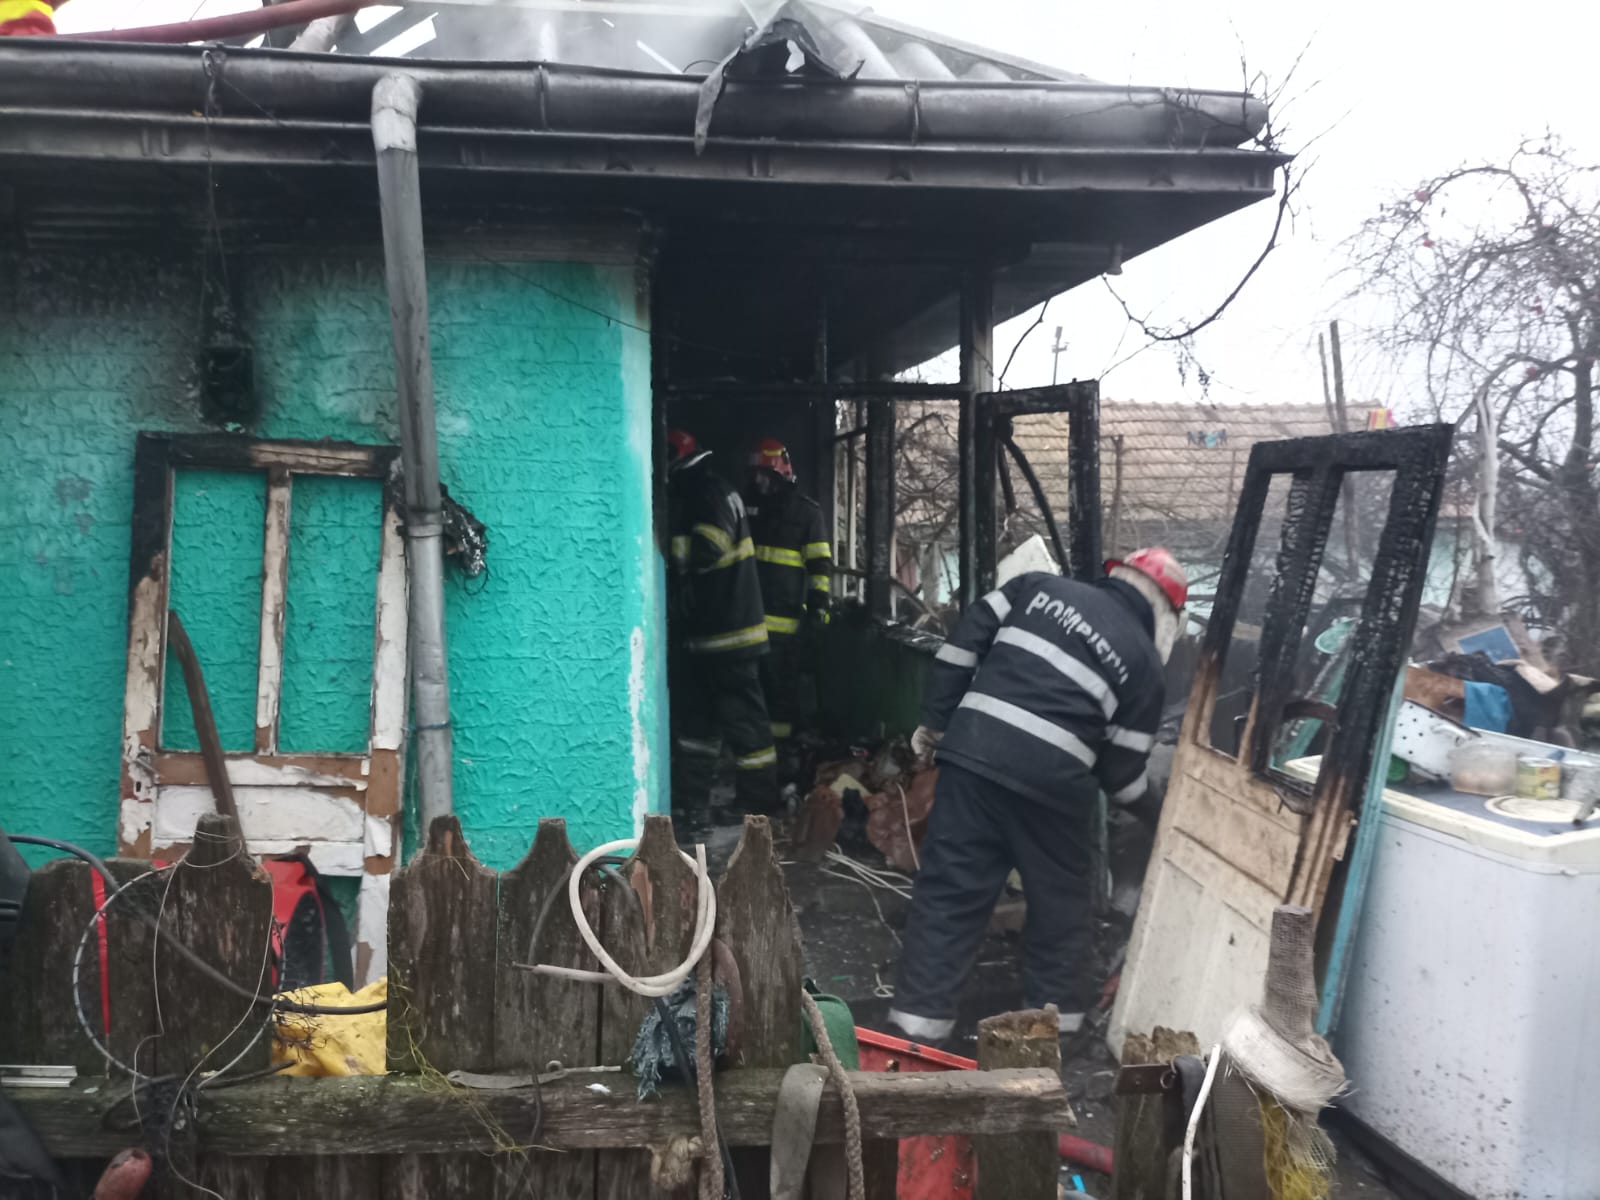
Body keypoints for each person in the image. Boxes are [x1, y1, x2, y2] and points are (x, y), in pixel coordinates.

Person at [887, 547, 1187, 1043]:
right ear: (1168, 615)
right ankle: (1052, 1039)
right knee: (1060, 909)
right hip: (1053, 789)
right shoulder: (1145, 665)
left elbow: (961, 645)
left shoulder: (1037, 587)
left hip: (972, 761)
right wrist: (1160, 816)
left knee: (948, 896)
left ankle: (914, 1036)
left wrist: (937, 721)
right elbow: (1123, 778)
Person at [665, 429, 779, 832]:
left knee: (746, 727)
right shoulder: (705, 490)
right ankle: (692, 805)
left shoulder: (708, 491)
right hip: (709, 639)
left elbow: (710, 546)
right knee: (699, 728)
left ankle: (759, 806)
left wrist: (670, 551)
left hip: (730, 637)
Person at [743, 438, 833, 763]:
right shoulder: (745, 508)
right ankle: (755, 753)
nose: (758, 482)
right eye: (756, 475)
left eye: (764, 475)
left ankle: (779, 757)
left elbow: (820, 564)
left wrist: (819, 606)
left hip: (785, 622)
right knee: (750, 690)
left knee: (781, 691)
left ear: (780, 474)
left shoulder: (807, 513)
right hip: (747, 620)